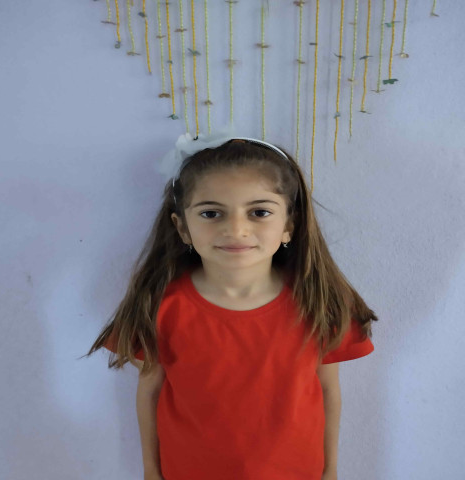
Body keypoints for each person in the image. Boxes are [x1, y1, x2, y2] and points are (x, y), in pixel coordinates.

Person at [86, 129, 378, 480]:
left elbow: (329, 390)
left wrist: (330, 470)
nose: (236, 229)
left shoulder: (320, 304)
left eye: (259, 212)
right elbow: (149, 392)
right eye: (212, 214)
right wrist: (151, 470)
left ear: (289, 224)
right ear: (182, 228)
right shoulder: (160, 308)